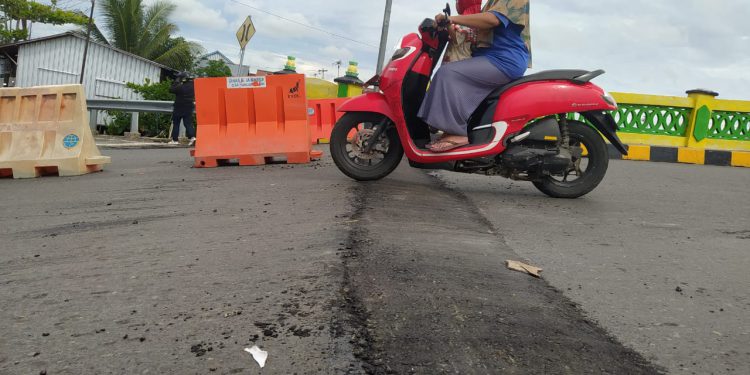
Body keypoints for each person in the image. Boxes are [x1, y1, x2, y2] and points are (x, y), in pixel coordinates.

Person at [419, 0, 531, 152]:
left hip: (504, 59)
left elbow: (492, 19)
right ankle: (450, 130)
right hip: (489, 57)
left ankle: (458, 133)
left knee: (448, 73)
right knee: (452, 73)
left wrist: (451, 19)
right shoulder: (492, 2)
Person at [169, 72, 196, 146]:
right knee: (188, 123)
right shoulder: (193, 85)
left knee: (176, 123)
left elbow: (171, 89)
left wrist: (177, 81)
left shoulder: (180, 87)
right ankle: (192, 137)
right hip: (189, 106)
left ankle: (175, 140)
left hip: (179, 106)